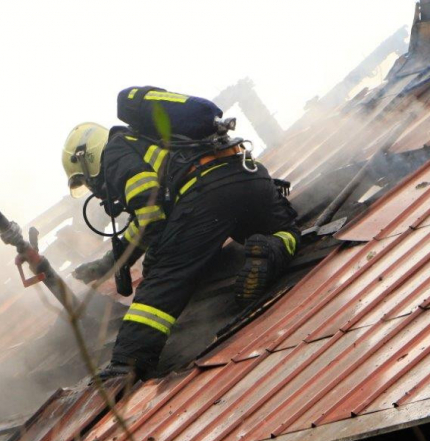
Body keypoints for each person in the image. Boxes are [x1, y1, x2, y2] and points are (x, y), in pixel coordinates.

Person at [62, 87, 300, 380]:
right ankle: (269, 249)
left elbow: (150, 216)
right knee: (287, 231)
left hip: (207, 193)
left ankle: (129, 362)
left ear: (86, 160)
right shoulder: (154, 140)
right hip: (249, 175)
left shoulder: (116, 152)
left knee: (164, 278)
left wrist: (136, 259)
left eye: (85, 180)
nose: (92, 188)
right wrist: (110, 261)